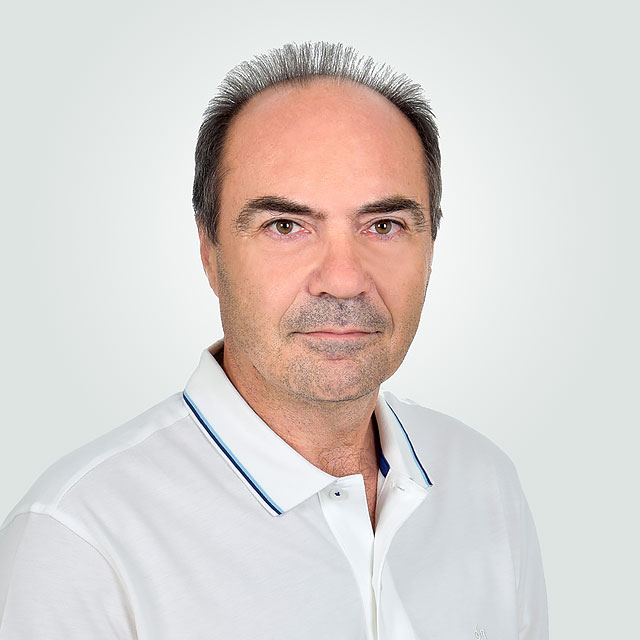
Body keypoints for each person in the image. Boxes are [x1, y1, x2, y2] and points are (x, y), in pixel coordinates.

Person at [0, 42, 548, 639]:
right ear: (210, 253)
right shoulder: (82, 543)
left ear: (431, 249)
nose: (343, 278)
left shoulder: (485, 484)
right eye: (286, 226)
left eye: (384, 225)